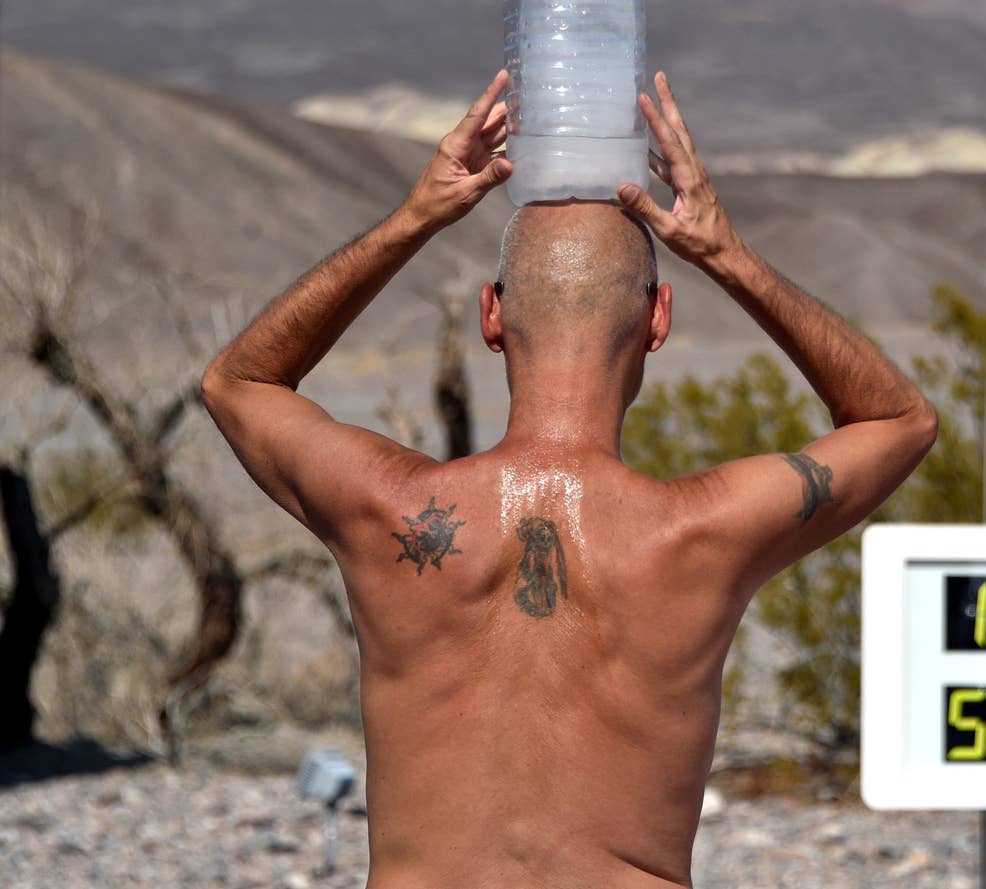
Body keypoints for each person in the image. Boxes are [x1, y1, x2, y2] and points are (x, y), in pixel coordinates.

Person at [202, 69, 939, 888]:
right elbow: (898, 421)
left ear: (491, 314)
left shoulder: (392, 510)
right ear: (659, 320)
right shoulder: (701, 534)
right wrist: (727, 255)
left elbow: (239, 384)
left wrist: (416, 219)